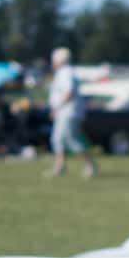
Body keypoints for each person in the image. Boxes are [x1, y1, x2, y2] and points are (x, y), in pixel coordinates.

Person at [46, 48, 97, 179]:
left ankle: (90, 165)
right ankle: (60, 166)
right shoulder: (64, 72)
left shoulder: (65, 72)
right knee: (57, 139)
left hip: (67, 112)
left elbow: (69, 93)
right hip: (66, 111)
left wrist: (56, 108)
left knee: (70, 140)